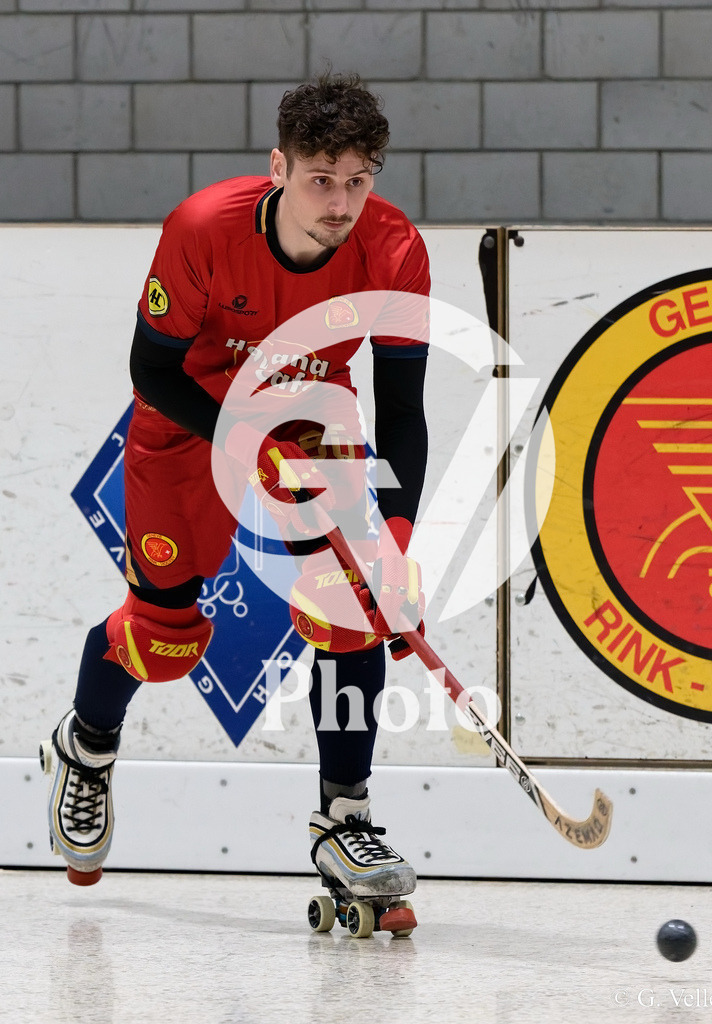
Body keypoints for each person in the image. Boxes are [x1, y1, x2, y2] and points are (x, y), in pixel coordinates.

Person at [41, 73, 430, 926]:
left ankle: (347, 819)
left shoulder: (395, 248)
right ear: (279, 167)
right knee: (164, 637)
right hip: (188, 418)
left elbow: (404, 411)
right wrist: (244, 439)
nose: (339, 202)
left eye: (358, 181)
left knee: (355, 601)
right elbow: (151, 370)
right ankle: (88, 745)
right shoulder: (204, 227)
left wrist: (392, 537)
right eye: (320, 180)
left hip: (310, 417)